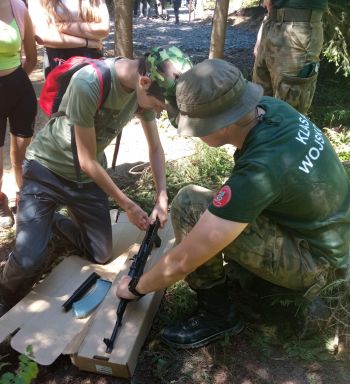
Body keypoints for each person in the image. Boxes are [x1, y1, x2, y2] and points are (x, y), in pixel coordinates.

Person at [116, 59, 350, 349]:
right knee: (212, 211)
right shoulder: (271, 110)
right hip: (332, 240)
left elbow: (182, 261)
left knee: (190, 205)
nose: (195, 134)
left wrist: (135, 288)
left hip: (318, 264)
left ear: (223, 125)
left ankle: (217, 314)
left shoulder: (260, 171)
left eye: (197, 126)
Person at [0, 46, 193, 316]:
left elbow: (155, 148)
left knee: (100, 253)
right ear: (145, 82)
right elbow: (87, 160)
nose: (159, 112)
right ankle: (4, 295)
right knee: (29, 259)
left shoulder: (143, 90)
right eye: (160, 106)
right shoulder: (90, 82)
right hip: (46, 171)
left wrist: (162, 194)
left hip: (86, 180)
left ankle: (52, 221)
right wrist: (127, 204)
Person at [252, 0, 328, 115]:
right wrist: (263, 28)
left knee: (287, 112)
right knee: (258, 103)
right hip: (270, 22)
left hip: (300, 26)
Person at [0, 0, 37, 229]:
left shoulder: (18, 7)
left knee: (21, 154)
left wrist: (15, 83)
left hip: (18, 89)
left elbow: (31, 56)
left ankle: (22, 197)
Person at [28, 0, 109, 77]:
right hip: (58, 61)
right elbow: (42, 36)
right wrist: (87, 42)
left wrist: (58, 26)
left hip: (92, 59)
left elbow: (103, 29)